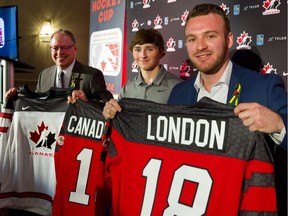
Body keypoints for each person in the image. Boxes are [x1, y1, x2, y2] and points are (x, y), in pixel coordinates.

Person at [167, 3, 287, 214]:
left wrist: (279, 125)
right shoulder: (178, 94)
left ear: (229, 40)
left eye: (210, 36)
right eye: (192, 39)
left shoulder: (264, 87)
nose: (200, 46)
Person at [5, 29, 113, 104]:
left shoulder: (92, 75)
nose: (59, 52)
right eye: (55, 48)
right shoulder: (44, 75)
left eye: (65, 47)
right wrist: (17, 96)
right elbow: (37, 103)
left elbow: (107, 104)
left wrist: (87, 101)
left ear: (75, 49)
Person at [102, 28, 182, 119]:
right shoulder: (128, 87)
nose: (143, 55)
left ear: (161, 52)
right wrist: (109, 112)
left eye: (149, 49)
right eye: (138, 50)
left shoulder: (177, 87)